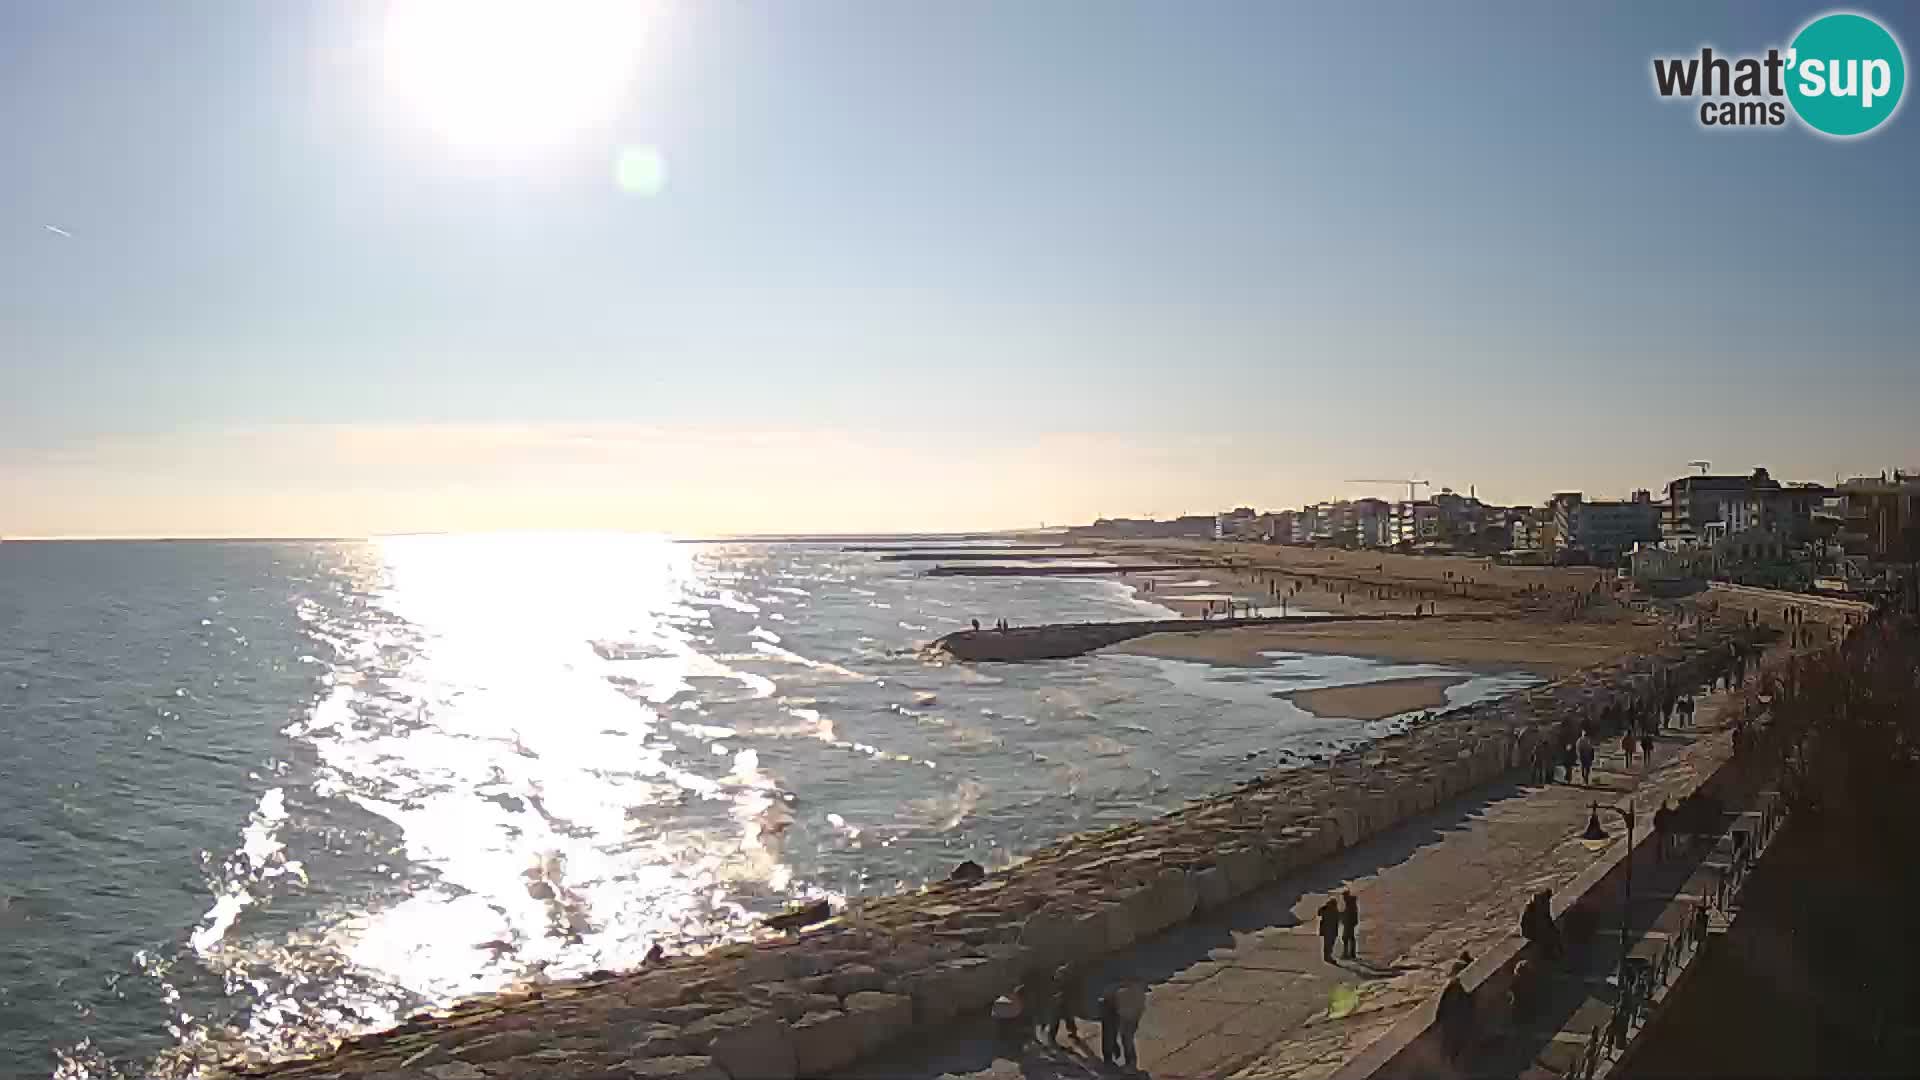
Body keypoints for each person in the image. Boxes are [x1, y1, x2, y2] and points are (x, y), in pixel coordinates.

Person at [1437, 951, 1475, 1063]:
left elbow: (1442, 1003)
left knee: (1452, 1041)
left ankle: (1451, 1059)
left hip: (1454, 1020)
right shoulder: (1456, 987)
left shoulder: (1454, 987)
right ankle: (1451, 1059)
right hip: (1455, 1020)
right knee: (1453, 1041)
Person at [1100, 981, 1145, 1071]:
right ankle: (1126, 1061)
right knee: (1124, 1035)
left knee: (1125, 1034)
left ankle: (1126, 1061)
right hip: (1118, 997)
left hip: (1122, 998)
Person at [1318, 896, 1342, 963]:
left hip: (1329, 929)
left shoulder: (1327, 909)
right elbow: (1319, 913)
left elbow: (1319, 914)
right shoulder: (1330, 910)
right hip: (1329, 930)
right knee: (1329, 944)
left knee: (1328, 944)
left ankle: (1327, 957)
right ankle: (1328, 957)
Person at [1340, 889, 1360, 960]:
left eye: (1344, 896)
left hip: (1349, 923)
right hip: (1349, 923)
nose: (1343, 898)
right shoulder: (1350, 904)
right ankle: (1351, 954)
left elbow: (1349, 914)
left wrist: (1343, 918)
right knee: (1350, 938)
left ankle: (1347, 954)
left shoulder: (1350, 904)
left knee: (1345, 938)